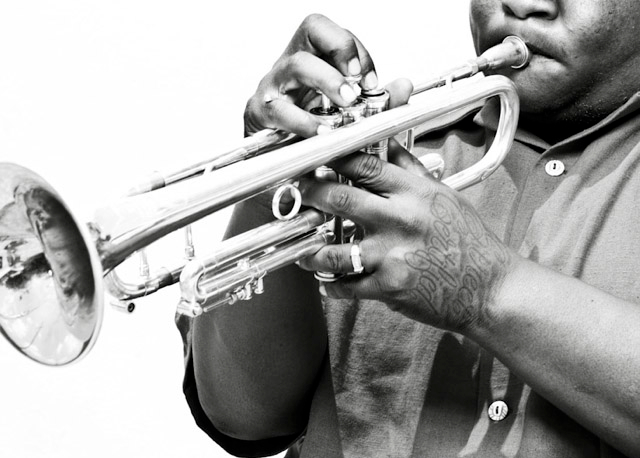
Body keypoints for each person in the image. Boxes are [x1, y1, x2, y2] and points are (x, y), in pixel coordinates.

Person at [177, 1, 640, 456]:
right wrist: (275, 180)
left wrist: (487, 290)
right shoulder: (386, 149)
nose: (521, 4)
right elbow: (245, 417)